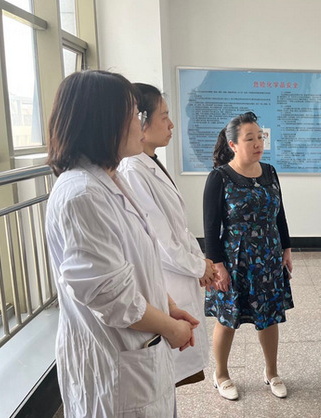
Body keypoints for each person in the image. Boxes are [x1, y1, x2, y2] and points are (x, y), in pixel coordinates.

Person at [45, 70, 198, 417]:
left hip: (137, 357)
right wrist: (171, 327)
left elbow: (133, 265)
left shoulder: (108, 180)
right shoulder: (82, 194)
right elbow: (113, 297)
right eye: (133, 113)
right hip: (115, 371)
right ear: (104, 121)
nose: (139, 123)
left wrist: (167, 305)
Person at [119, 83, 215, 387]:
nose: (171, 124)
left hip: (178, 277)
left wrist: (200, 263)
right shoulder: (133, 171)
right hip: (166, 278)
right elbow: (161, 241)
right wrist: (199, 267)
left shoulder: (149, 163)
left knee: (174, 378)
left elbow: (178, 228)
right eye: (164, 117)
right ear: (142, 122)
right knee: (164, 377)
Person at [203, 112, 294, 400]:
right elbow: (210, 227)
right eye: (250, 138)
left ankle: (271, 372)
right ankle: (221, 374)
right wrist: (217, 266)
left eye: (260, 137)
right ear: (232, 144)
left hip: (268, 256)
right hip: (234, 259)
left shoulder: (269, 172)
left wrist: (286, 248)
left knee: (269, 317)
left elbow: (279, 214)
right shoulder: (219, 177)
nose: (258, 143)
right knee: (227, 318)